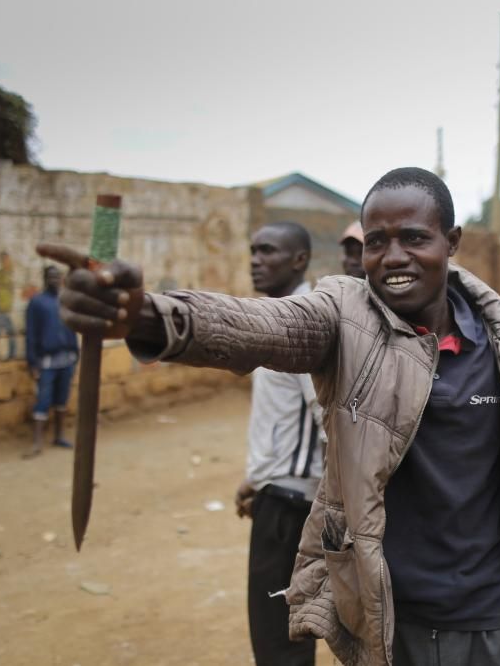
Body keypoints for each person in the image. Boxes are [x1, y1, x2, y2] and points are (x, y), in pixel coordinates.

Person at [40, 167, 500, 666]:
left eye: (414, 238)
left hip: (498, 623)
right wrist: (149, 316)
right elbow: (255, 326)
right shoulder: (345, 316)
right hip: (391, 624)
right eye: (376, 243)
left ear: (452, 243)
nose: (393, 257)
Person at [232, 221, 323, 666]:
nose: (255, 259)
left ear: (299, 259)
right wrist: (256, 480)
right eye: (253, 250)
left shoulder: (302, 321)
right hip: (277, 492)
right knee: (282, 633)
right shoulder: (278, 316)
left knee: (279, 638)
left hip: (291, 506)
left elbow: (328, 414)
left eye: (267, 251)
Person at [23, 266, 78, 458]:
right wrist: (32, 363)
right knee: (43, 401)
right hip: (46, 362)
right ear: (45, 279)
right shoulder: (37, 303)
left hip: (67, 359)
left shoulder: (65, 300)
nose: (55, 280)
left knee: (62, 400)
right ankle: (37, 442)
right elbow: (30, 334)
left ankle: (59, 436)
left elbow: (72, 328)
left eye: (57, 277)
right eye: (51, 277)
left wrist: (75, 355)